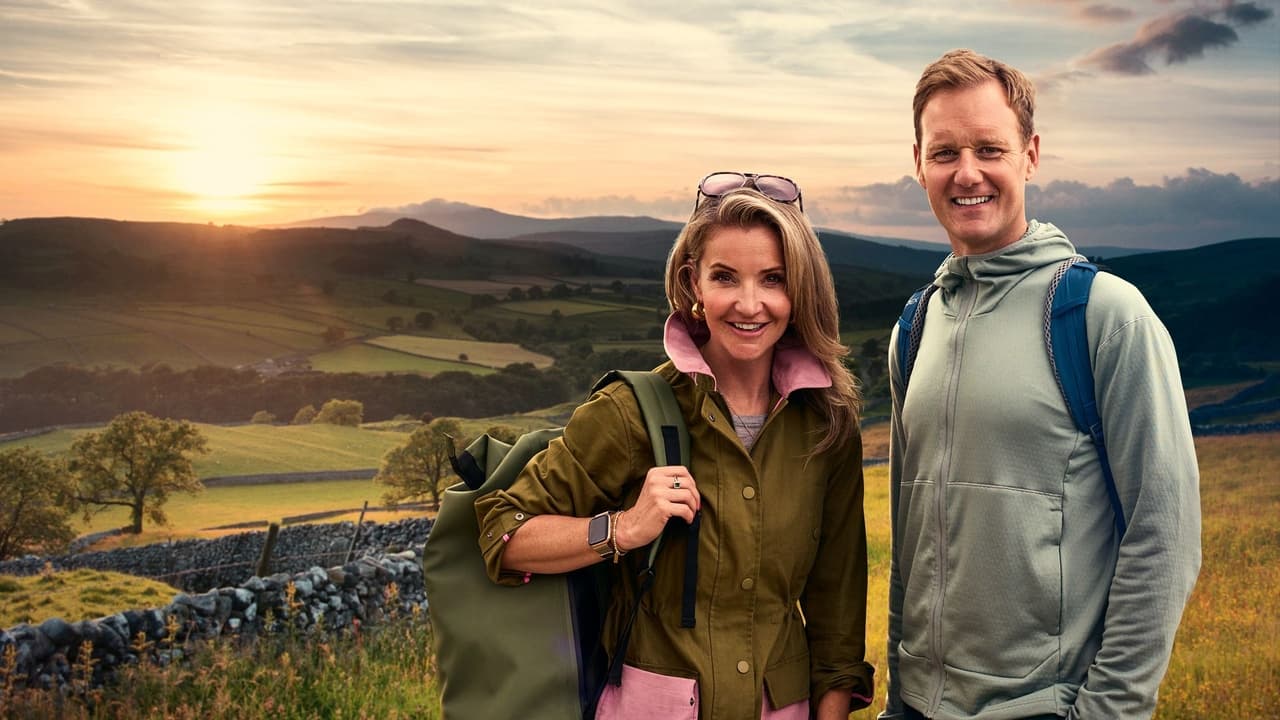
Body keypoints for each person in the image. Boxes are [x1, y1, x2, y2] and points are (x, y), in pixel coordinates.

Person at [476, 172, 875, 719]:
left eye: (774, 279)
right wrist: (621, 529)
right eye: (725, 277)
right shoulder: (629, 411)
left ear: (799, 288)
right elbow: (504, 530)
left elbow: (838, 622)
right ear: (693, 283)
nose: (750, 304)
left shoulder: (828, 426)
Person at [881, 49, 1202, 720]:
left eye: (988, 149)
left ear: (1029, 154)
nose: (966, 173)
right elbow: (911, 543)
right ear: (918, 162)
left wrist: (1107, 713)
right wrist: (897, 700)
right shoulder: (914, 327)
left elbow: (1165, 536)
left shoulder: (1102, 316)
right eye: (945, 153)